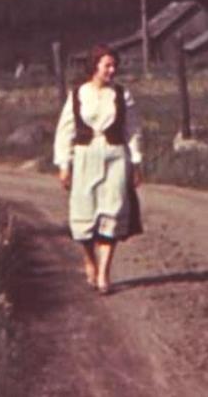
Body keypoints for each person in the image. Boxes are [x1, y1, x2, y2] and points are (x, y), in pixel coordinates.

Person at [53, 44, 143, 295]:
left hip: (115, 157)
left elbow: (133, 131)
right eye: (107, 65)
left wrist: (135, 163)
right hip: (84, 157)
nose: (112, 70)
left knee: (112, 213)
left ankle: (104, 272)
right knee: (83, 215)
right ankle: (89, 259)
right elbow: (64, 132)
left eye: (114, 65)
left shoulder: (122, 95)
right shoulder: (78, 95)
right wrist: (64, 165)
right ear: (95, 67)